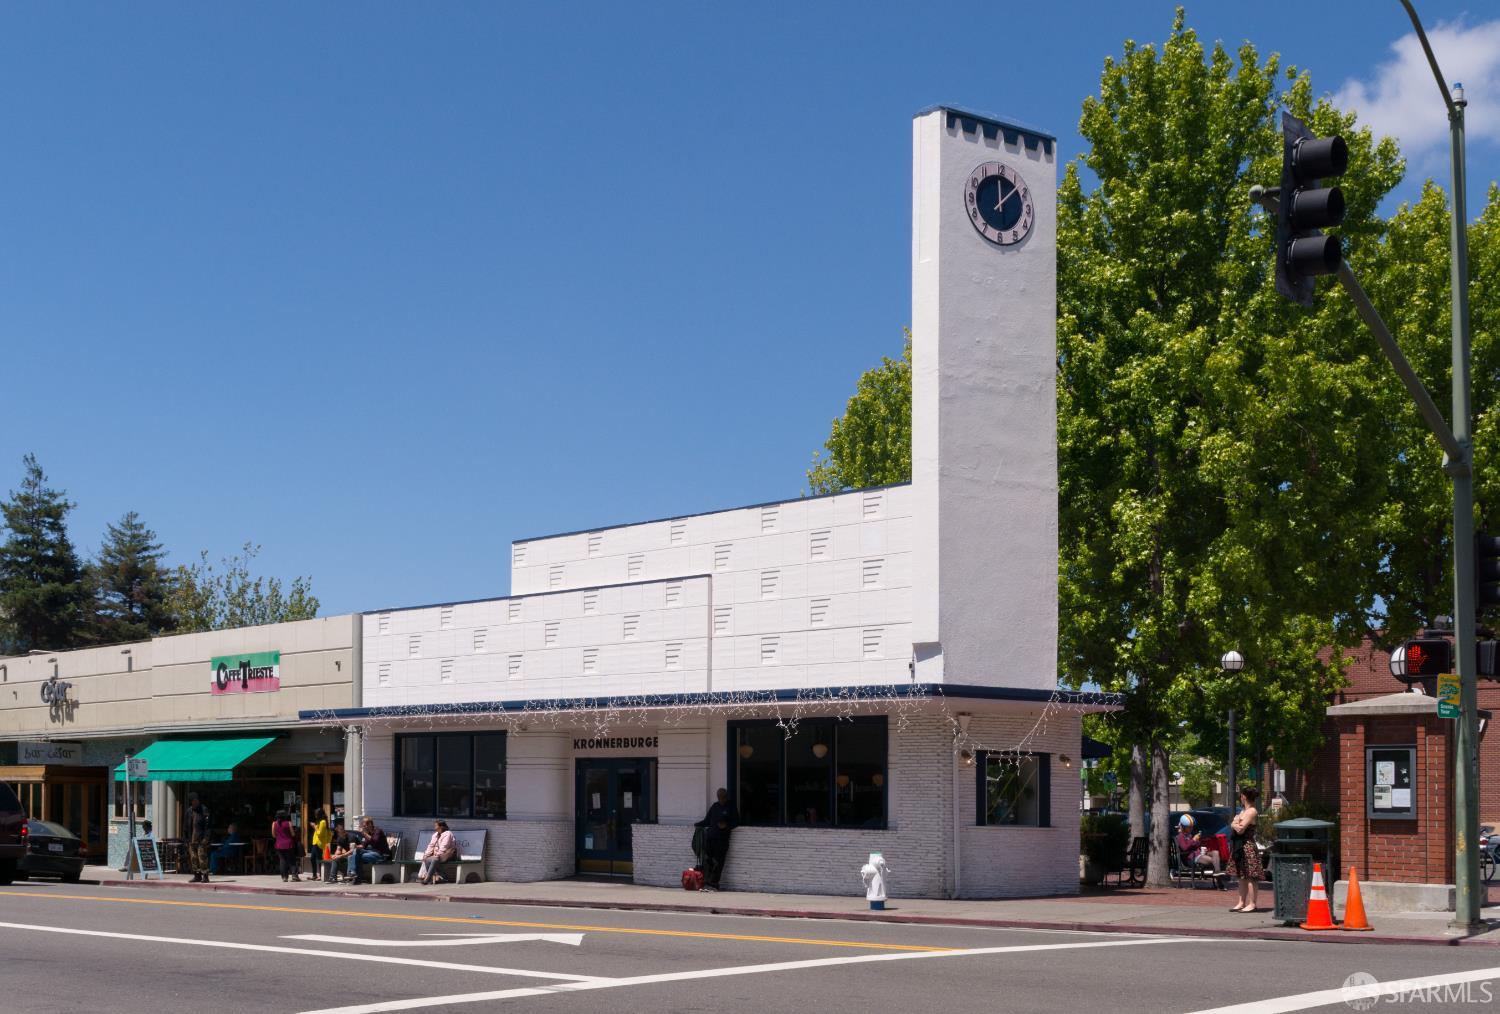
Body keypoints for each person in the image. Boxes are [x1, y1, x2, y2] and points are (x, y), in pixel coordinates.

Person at [694, 787, 737, 892]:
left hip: (722, 839)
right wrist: (697, 825)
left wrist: (726, 826)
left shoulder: (731, 807)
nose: (721, 799)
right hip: (711, 837)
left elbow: (736, 822)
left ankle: (714, 883)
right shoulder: (715, 806)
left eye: (723, 797)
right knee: (708, 860)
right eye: (719, 797)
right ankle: (706, 882)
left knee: (718, 862)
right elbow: (707, 820)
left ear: (726, 797)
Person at [1229, 786, 1264, 913]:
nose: (1240, 797)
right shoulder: (1243, 811)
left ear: (1244, 796)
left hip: (1248, 846)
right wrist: (1235, 822)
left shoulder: (1251, 811)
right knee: (1241, 875)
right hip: (1240, 846)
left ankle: (1252, 904)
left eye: (1241, 795)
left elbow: (1240, 829)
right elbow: (1237, 825)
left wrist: (1234, 823)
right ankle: (1241, 902)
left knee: (1251, 876)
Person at [1174, 814, 1223, 879]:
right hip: (1191, 858)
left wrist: (1200, 846)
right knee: (1214, 861)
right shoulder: (1180, 836)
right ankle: (1219, 880)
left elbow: (1196, 845)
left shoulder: (1190, 835)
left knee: (1215, 853)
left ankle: (1217, 872)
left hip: (1198, 854)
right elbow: (1185, 848)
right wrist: (1194, 840)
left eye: (1192, 827)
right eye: (1189, 827)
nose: (1191, 828)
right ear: (1183, 827)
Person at [347, 817, 390, 883]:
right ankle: (353, 873)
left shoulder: (378, 831)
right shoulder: (368, 833)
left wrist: (364, 833)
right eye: (363, 826)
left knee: (356, 857)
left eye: (364, 826)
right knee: (355, 853)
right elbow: (364, 846)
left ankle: (356, 878)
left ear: (370, 824)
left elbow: (374, 841)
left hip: (381, 854)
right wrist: (356, 846)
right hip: (371, 852)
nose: (364, 827)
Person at [417, 819, 457, 885]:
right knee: (427, 859)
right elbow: (431, 845)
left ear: (441, 826)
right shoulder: (435, 835)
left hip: (447, 855)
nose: (434, 827)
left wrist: (437, 855)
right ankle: (435, 877)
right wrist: (426, 855)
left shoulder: (448, 834)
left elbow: (444, 847)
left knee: (435, 859)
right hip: (438, 856)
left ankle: (427, 878)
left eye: (436, 825)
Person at [184, 792, 212, 883]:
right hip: (191, 839)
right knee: (193, 858)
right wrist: (186, 839)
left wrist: (206, 838)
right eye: (193, 801)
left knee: (202, 857)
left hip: (201, 839)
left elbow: (208, 826)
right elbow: (185, 826)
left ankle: (205, 876)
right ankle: (197, 875)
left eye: (196, 800)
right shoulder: (189, 811)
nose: (195, 802)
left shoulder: (204, 810)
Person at [272, 810, 300, 882]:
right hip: (289, 844)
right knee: (292, 860)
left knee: (282, 860)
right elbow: (293, 834)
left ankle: (284, 877)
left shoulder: (274, 824)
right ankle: (294, 875)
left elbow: (274, 835)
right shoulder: (288, 823)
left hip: (279, 845)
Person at [309, 807, 332, 882]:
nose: (315, 815)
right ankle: (314, 874)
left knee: (318, 859)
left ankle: (320, 874)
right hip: (315, 842)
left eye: (316, 814)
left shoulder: (323, 822)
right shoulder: (319, 821)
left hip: (319, 843)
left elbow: (320, 833)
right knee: (313, 858)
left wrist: (314, 827)